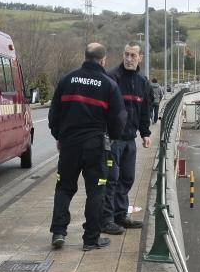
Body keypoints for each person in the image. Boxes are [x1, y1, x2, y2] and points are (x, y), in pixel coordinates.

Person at [48, 43, 127, 251]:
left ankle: (58, 232)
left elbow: (53, 114)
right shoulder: (109, 85)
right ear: (103, 60)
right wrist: (112, 137)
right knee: (96, 190)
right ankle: (91, 239)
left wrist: (60, 136)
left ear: (85, 57)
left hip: (69, 145)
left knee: (64, 187)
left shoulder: (67, 80)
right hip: (95, 145)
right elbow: (118, 120)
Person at [101, 41, 151, 236]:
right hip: (113, 140)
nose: (129, 59)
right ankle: (107, 219)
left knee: (127, 178)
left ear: (140, 58)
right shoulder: (112, 78)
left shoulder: (142, 82)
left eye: (133, 55)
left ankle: (120, 215)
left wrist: (145, 133)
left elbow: (144, 111)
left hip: (130, 140)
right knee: (110, 179)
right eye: (126, 55)